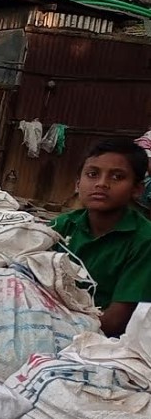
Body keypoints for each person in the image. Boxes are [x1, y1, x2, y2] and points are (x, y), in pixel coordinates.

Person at [50, 138, 151, 337]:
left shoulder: (144, 241)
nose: (101, 184)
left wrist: (53, 327)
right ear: (78, 184)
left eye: (117, 177)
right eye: (92, 174)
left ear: (137, 189)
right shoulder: (62, 225)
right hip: (50, 320)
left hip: (100, 338)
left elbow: (115, 322)